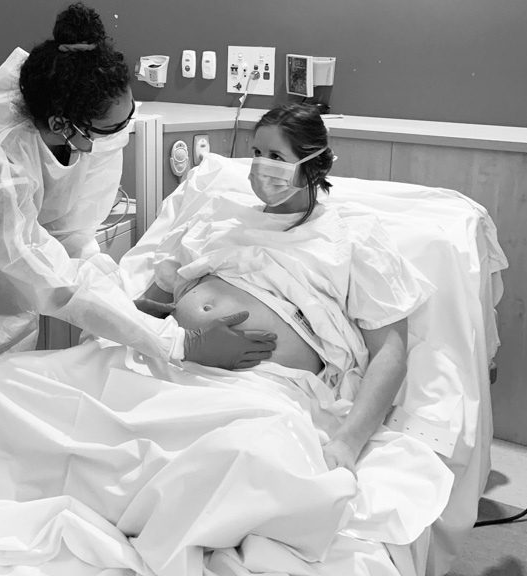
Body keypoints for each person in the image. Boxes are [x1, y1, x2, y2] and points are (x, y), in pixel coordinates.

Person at [0, 3, 275, 416]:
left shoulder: (88, 113)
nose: (120, 133)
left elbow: (71, 234)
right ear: (60, 125)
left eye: (128, 117)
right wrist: (177, 344)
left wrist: (122, 301)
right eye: (111, 128)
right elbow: (45, 274)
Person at [133, 103, 434, 473]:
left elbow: (390, 353)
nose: (260, 166)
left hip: (260, 384)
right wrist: (176, 342)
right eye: (257, 153)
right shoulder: (218, 212)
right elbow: (146, 308)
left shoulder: (353, 236)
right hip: (174, 363)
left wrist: (346, 443)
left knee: (224, 462)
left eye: (276, 156)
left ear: (315, 164)